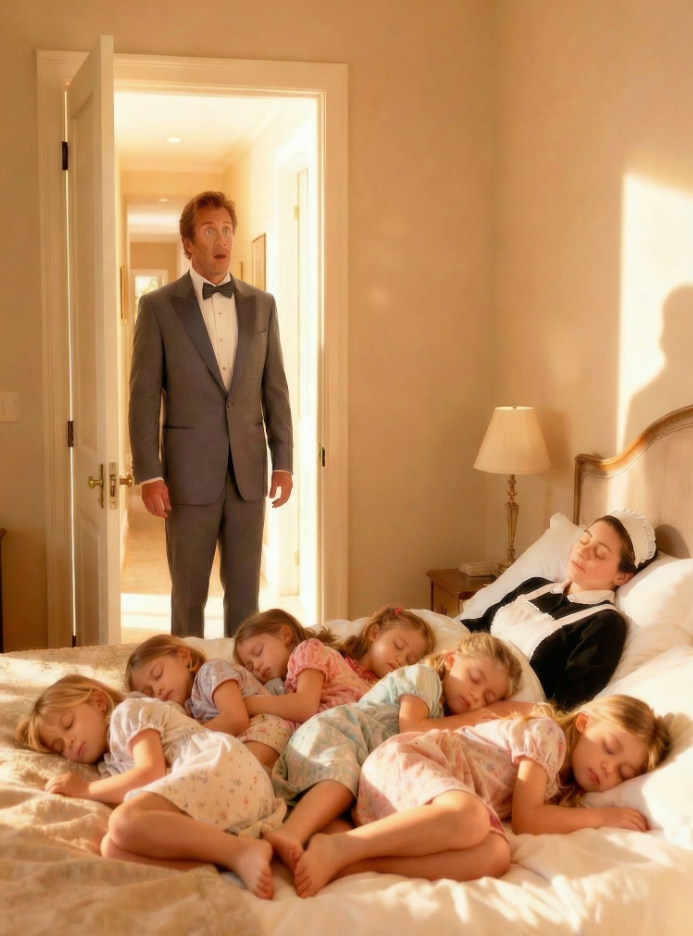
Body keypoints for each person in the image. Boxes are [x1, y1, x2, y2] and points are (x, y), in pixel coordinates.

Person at [292, 694, 671, 897]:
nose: (608, 768)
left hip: (417, 805)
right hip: (407, 762)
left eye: (623, 773)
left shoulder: (564, 784)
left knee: (495, 855)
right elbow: (528, 819)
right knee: (471, 817)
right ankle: (343, 847)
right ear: (585, 722)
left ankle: (351, 860)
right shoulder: (548, 736)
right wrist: (602, 816)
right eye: (609, 748)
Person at [128, 191, 293, 638]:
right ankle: (185, 672)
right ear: (188, 242)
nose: (221, 240)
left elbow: (274, 388)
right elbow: (143, 397)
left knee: (245, 599)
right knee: (188, 597)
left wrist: (283, 461)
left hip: (248, 474)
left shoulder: (263, 304)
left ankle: (243, 673)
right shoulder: (158, 306)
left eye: (226, 230)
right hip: (186, 477)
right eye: (208, 230)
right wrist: (149, 473)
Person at [265, 632, 522, 872]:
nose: (476, 696)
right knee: (339, 783)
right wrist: (473, 718)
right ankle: (290, 833)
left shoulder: (443, 718)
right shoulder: (425, 678)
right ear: (451, 660)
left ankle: (323, 857)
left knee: (343, 828)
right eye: (474, 679)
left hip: (360, 777)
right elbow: (411, 727)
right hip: (338, 734)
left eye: (488, 698)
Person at [15, 675, 287, 898]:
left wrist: (85, 789)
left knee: (123, 821)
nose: (69, 743)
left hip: (225, 770)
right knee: (112, 847)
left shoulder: (127, 714)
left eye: (68, 724)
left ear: (98, 701)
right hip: (218, 803)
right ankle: (226, 865)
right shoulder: (108, 768)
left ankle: (239, 853)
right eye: (59, 746)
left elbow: (150, 772)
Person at [463, 509, 657, 709]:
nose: (582, 551)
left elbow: (565, 705)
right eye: (584, 540)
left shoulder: (605, 624)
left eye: (600, 553)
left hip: (492, 711)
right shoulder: (535, 586)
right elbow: (477, 626)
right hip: (460, 674)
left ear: (621, 577)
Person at [233, 606, 436, 725]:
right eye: (398, 646)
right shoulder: (332, 658)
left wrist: (244, 704)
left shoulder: (391, 686)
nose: (401, 660)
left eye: (410, 660)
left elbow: (304, 705)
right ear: (374, 633)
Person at [125, 634, 293, 770]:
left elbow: (236, 719)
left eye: (158, 674)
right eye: (149, 692)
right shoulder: (188, 708)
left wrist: (187, 739)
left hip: (264, 728)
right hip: (240, 741)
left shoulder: (211, 671)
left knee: (236, 769)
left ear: (183, 657)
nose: (158, 690)